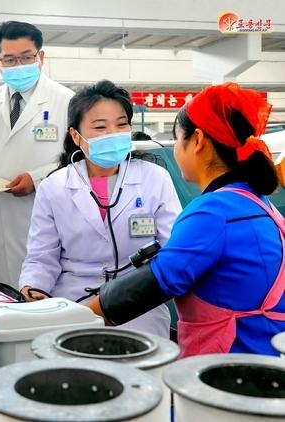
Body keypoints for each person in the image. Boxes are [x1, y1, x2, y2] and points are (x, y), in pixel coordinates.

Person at [89, 82, 285, 356]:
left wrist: (75, 316)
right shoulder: (255, 201)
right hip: (265, 352)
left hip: (231, 364)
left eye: (178, 139)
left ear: (198, 141)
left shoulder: (214, 212)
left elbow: (157, 281)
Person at [17, 80, 181, 338]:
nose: (113, 133)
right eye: (100, 127)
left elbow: (173, 248)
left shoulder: (155, 178)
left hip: (138, 305)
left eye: (121, 124)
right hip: (73, 306)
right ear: (76, 136)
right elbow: (42, 257)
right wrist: (33, 289)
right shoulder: (54, 187)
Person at [0, 21, 74, 288]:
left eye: (26, 57)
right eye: (10, 59)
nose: (19, 65)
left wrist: (35, 179)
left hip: (44, 212)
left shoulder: (66, 100)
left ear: (41, 57)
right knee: (4, 294)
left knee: (45, 293)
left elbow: (76, 158)